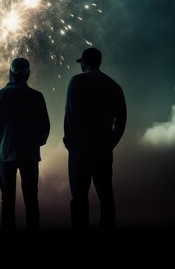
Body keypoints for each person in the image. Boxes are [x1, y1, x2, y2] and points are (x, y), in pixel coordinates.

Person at [0, 58, 50, 232]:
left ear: (10, 73)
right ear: (28, 74)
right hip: (30, 154)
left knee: (7, 200)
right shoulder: (36, 96)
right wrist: (37, 142)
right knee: (31, 199)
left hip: (5, 153)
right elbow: (44, 127)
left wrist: (2, 138)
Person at [64, 47, 126, 231]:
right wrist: (111, 143)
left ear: (84, 62)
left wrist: (70, 142)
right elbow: (121, 120)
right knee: (106, 197)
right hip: (102, 149)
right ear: (99, 62)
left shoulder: (76, 81)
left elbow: (70, 114)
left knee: (79, 198)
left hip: (79, 149)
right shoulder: (112, 85)